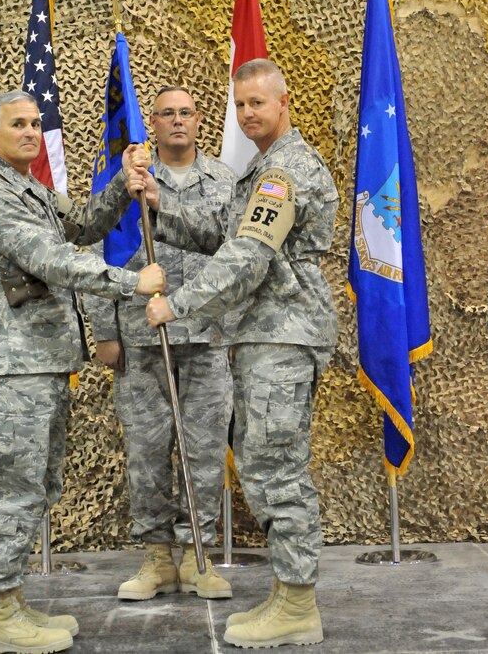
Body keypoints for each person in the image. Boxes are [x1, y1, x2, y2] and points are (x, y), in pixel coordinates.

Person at [0, 90, 165, 654]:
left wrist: (124, 181)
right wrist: (130, 283)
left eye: (34, 123)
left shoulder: (32, 193)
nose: (28, 131)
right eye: (16, 124)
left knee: (34, 487)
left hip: (39, 364)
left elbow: (86, 224)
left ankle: (12, 601)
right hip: (10, 368)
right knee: (11, 491)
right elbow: (49, 259)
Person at [140, 58, 339, 649]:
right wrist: (158, 203)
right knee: (265, 463)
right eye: (241, 105)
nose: (249, 113)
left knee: (276, 468)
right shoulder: (261, 170)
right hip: (263, 334)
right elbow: (221, 234)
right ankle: (288, 593)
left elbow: (247, 255)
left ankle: (299, 602)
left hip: (282, 333)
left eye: (259, 103)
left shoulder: (285, 172)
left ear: (283, 104)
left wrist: (179, 304)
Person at [86, 86, 235, 602]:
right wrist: (104, 330)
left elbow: (233, 246)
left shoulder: (223, 180)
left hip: (207, 334)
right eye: (167, 114)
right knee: (146, 452)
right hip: (141, 336)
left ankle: (199, 554)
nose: (177, 121)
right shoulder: (124, 182)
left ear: (200, 120)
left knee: (205, 452)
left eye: (186, 113)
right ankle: (156, 559)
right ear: (152, 121)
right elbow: (101, 252)